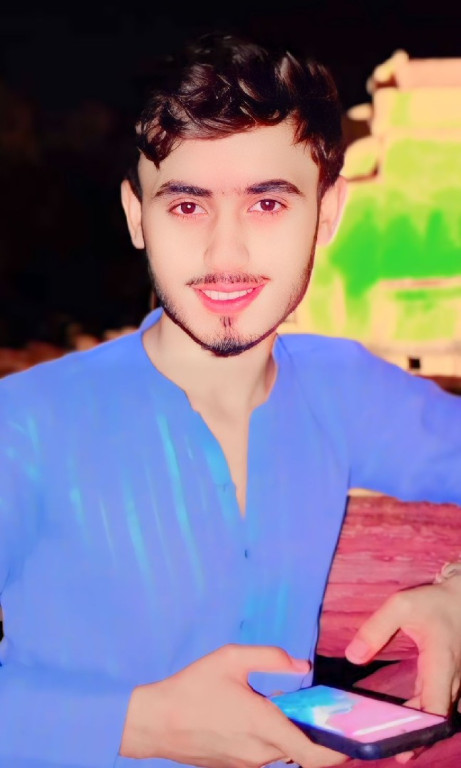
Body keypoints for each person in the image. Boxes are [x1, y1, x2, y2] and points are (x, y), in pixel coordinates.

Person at [0, 33, 460, 768]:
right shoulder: (25, 423)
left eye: (267, 203)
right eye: (187, 206)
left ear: (328, 213)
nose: (225, 255)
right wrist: (136, 725)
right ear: (137, 215)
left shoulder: (344, 388)